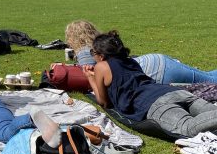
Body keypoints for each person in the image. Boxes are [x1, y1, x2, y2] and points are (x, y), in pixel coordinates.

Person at [82, 31, 217, 139]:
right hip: (174, 92)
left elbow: (103, 102)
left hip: (152, 103)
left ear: (101, 54)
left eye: (93, 52)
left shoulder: (101, 66)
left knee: (187, 128)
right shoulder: (131, 62)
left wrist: (90, 78)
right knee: (212, 113)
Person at [65, 20, 217, 84]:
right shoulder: (101, 42)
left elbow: (89, 78)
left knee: (210, 81)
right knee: (208, 76)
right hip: (155, 60)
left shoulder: (86, 53)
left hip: (157, 72)